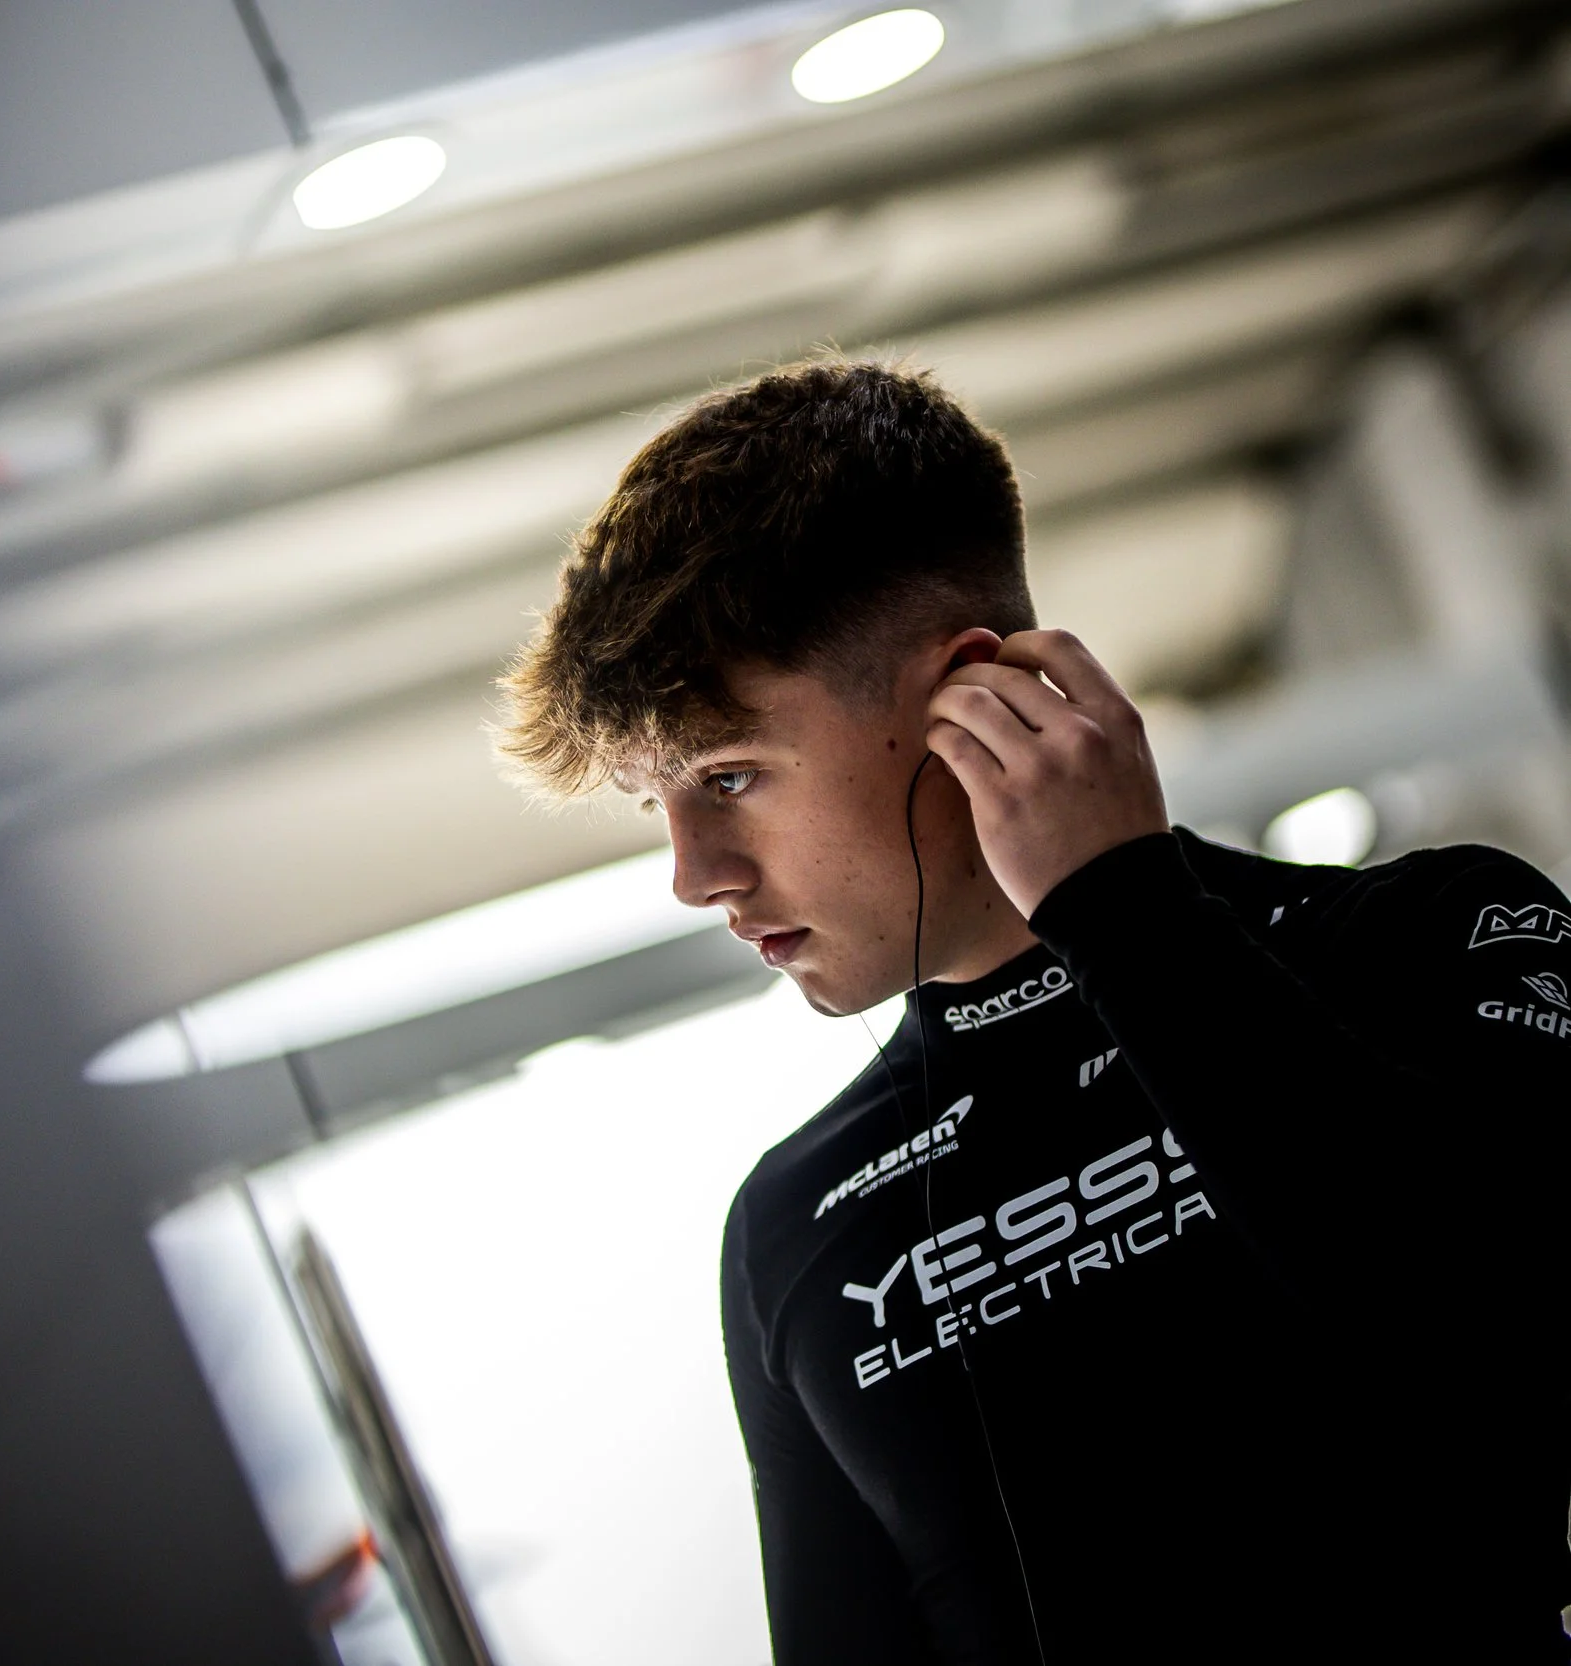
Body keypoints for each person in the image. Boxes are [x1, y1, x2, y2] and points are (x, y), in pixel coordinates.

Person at [495, 359, 1570, 1663]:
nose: (693, 875)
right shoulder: (796, 1231)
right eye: (655, 803)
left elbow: (1500, 1319)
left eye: (730, 775)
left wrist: (1121, 905)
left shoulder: (1431, 937)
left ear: (972, 696)